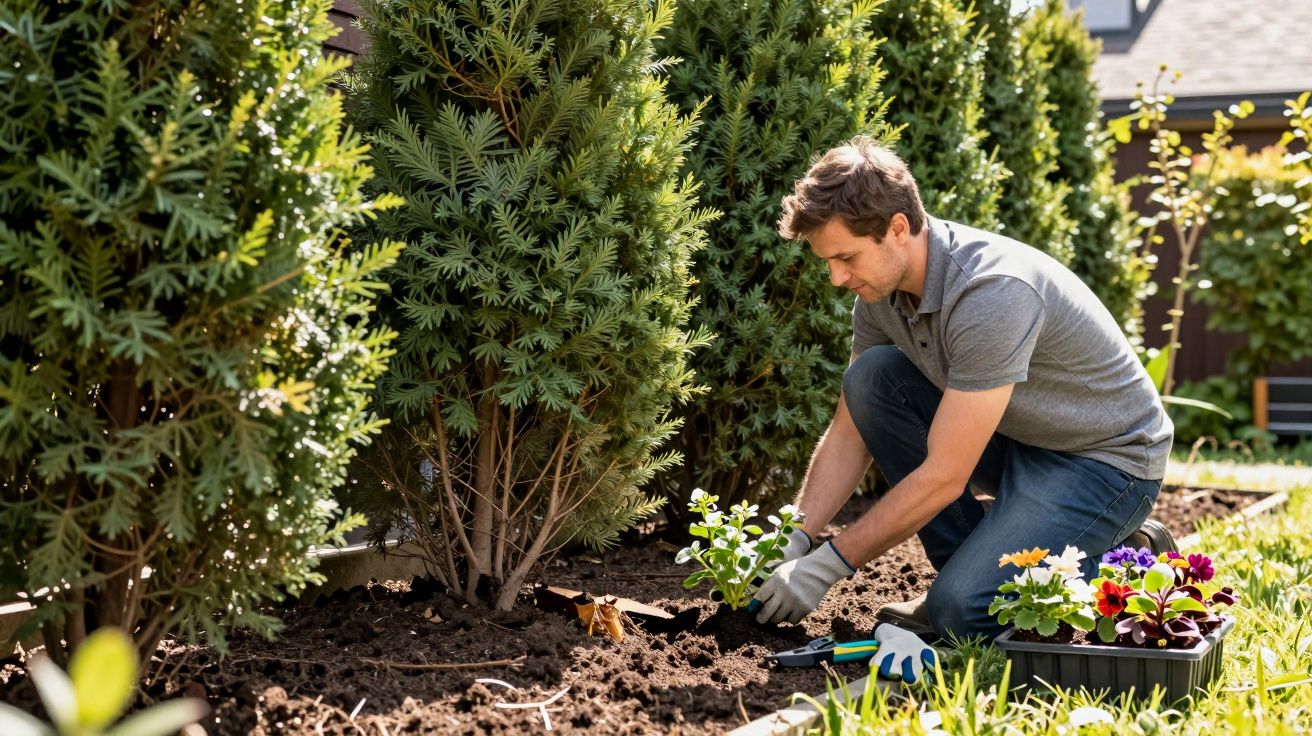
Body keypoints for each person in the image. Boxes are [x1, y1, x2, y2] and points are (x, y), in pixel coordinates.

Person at [750, 136, 1174, 643]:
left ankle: (1124, 552)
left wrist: (825, 567)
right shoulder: (881, 293)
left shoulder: (991, 292)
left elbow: (945, 476)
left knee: (962, 616)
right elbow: (849, 432)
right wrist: (792, 538)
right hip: (1022, 438)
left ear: (897, 228)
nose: (837, 278)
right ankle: (970, 570)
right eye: (828, 262)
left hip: (1104, 462)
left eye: (846, 257)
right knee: (871, 379)